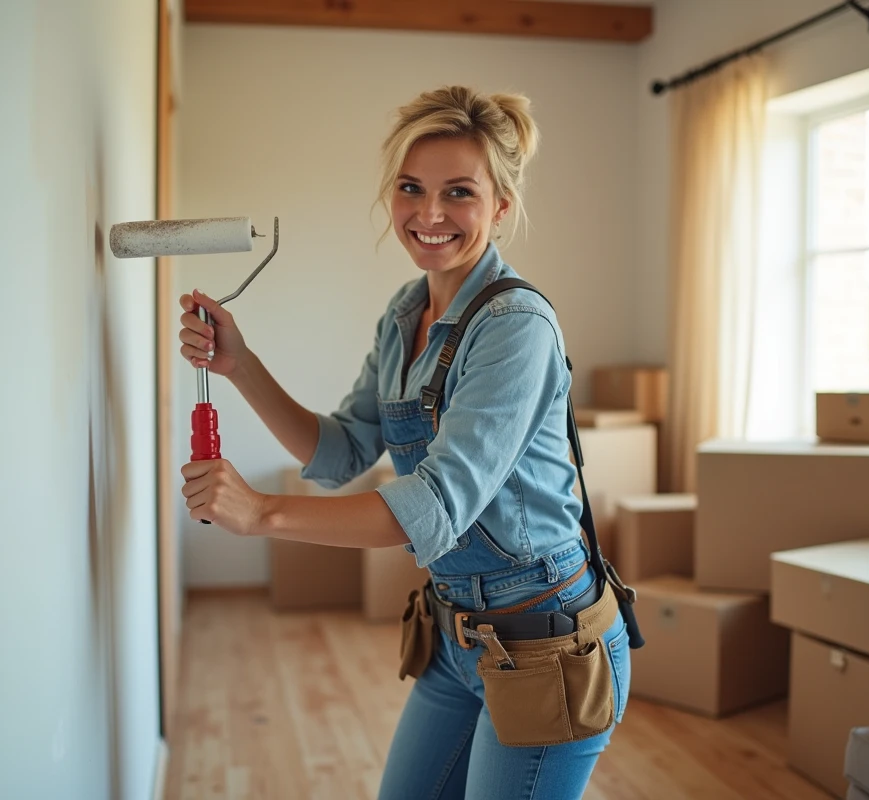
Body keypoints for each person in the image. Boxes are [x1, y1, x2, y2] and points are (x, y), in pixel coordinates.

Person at [178, 85, 635, 799]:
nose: (429, 214)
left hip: (546, 639)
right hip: (457, 637)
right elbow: (342, 452)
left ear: (501, 207)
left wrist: (264, 513)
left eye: (459, 192)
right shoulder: (406, 312)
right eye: (411, 188)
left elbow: (434, 505)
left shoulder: (516, 327)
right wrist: (240, 365)